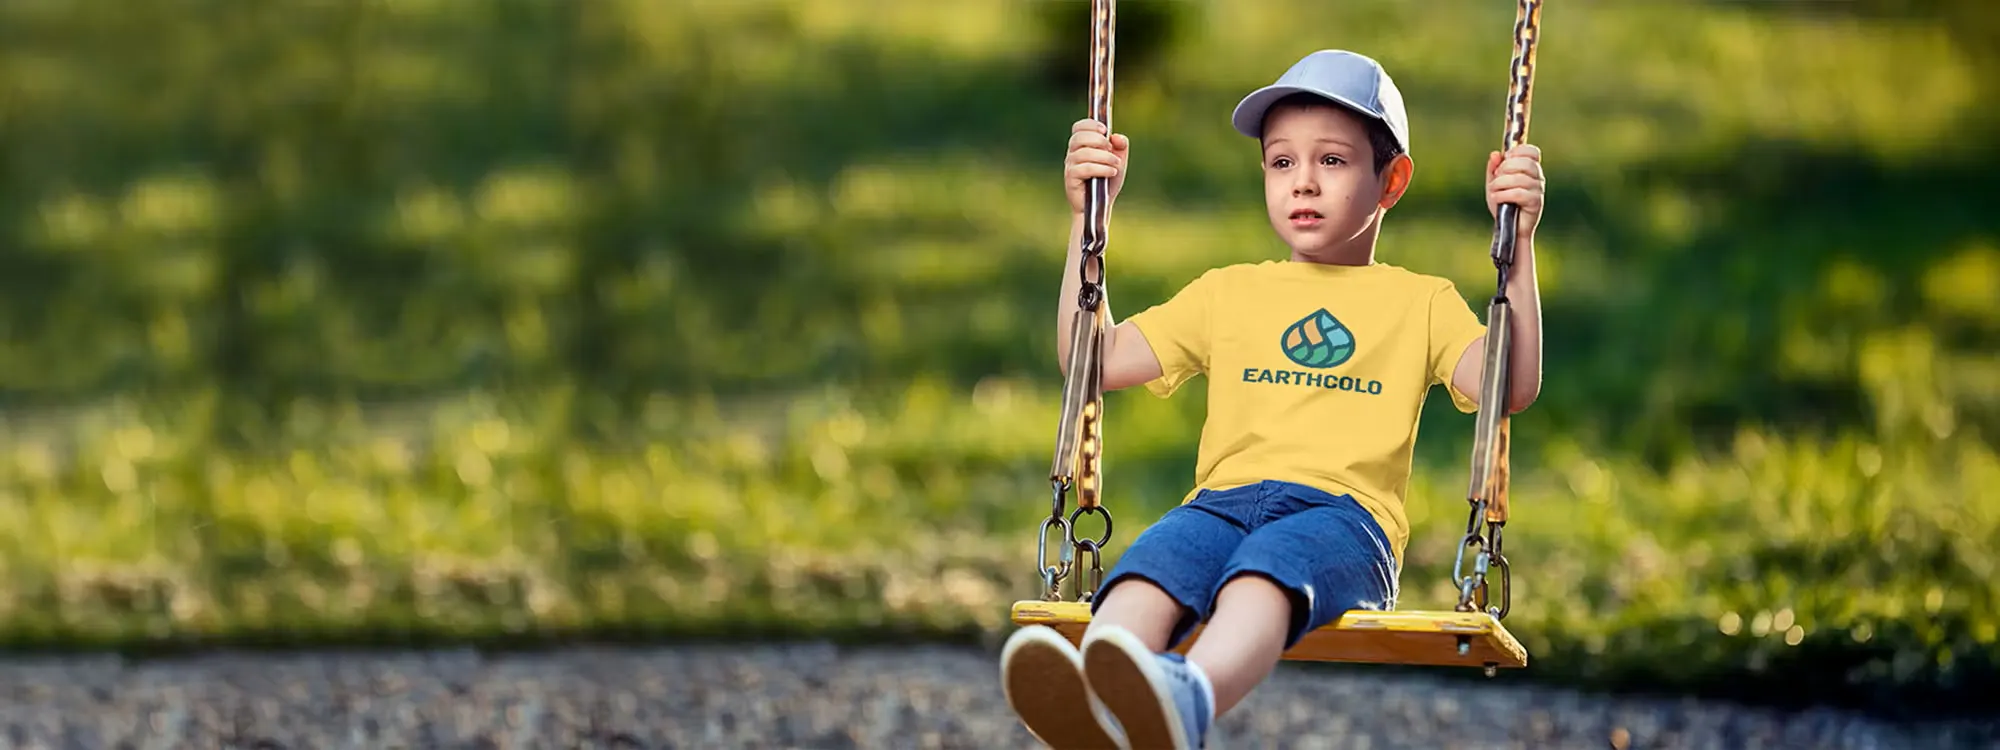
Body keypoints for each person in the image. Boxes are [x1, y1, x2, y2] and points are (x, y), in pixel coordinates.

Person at [998, 49, 1547, 749]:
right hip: (1219, 504)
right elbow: (1090, 361)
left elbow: (1511, 385)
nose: (1304, 183)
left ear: (1392, 180)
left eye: (1334, 161)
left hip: (1343, 523)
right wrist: (1086, 219)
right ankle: (1101, 701)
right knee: (1151, 568)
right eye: (1282, 162)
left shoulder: (1422, 302)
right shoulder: (1229, 292)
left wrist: (1518, 244)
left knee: (1265, 573)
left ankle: (1186, 694)